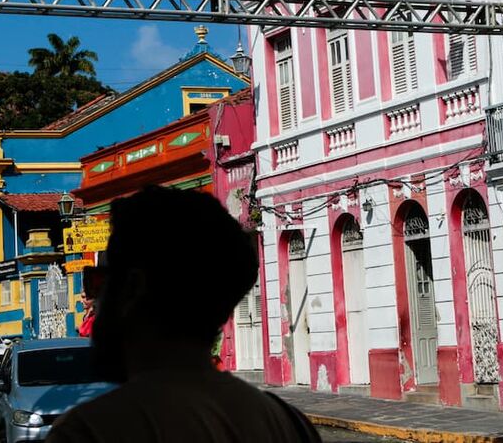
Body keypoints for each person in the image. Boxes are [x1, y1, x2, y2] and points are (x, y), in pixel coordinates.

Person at [47, 185, 320, 443]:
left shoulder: (90, 432)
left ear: (132, 287)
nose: (95, 299)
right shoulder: (289, 425)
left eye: (100, 281)